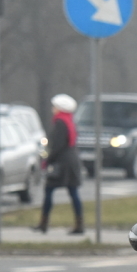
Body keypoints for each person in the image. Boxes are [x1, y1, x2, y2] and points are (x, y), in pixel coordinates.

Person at [34, 93, 84, 235]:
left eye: (54, 106)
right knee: (73, 192)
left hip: (62, 162)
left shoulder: (60, 123)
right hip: (72, 160)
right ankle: (79, 224)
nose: (52, 109)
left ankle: (43, 223)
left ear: (60, 108)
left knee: (49, 190)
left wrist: (48, 160)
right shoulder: (70, 122)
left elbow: (57, 145)